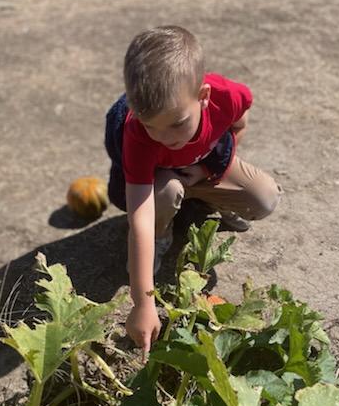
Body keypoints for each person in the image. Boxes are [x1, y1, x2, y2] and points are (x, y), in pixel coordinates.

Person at [105, 25, 281, 357]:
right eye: (150, 126)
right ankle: (165, 233)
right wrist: (143, 302)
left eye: (176, 123)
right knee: (165, 192)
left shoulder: (228, 95)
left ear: (203, 97)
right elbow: (139, 219)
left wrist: (204, 169)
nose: (163, 136)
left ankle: (207, 200)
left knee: (264, 197)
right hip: (161, 182)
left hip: (200, 167)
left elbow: (239, 125)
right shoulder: (137, 135)